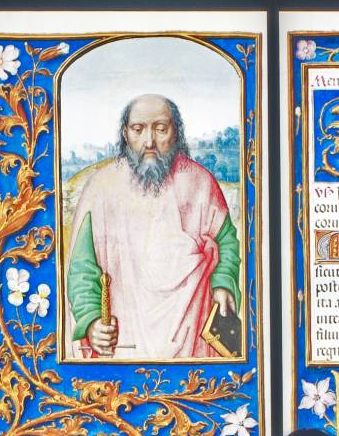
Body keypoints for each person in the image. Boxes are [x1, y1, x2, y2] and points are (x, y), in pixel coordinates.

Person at [65, 94, 242, 360]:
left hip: (192, 339)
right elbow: (82, 268)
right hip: (126, 341)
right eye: (138, 129)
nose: (149, 142)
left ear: (176, 132)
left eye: (160, 129)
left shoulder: (201, 183)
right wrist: (91, 321)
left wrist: (223, 283)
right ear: (126, 133)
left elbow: (227, 242)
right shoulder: (102, 189)